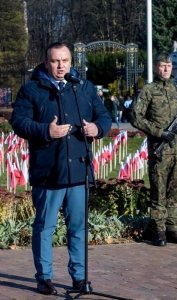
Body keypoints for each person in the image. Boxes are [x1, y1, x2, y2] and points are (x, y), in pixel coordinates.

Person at [9, 42, 111, 295]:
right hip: (48, 171)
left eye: (65, 60)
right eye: (55, 61)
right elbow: (19, 122)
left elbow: (105, 117)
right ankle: (44, 277)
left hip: (78, 171)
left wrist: (97, 129)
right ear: (46, 63)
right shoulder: (32, 89)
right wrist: (46, 131)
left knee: (78, 227)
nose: (60, 65)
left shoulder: (83, 87)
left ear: (71, 61)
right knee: (45, 226)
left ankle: (79, 276)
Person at [130, 51, 177, 246]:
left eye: (168, 66)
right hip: (161, 149)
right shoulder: (148, 92)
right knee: (159, 190)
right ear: (155, 67)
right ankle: (158, 230)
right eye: (161, 65)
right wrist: (159, 132)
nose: (165, 69)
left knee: (176, 191)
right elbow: (135, 117)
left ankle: (173, 228)